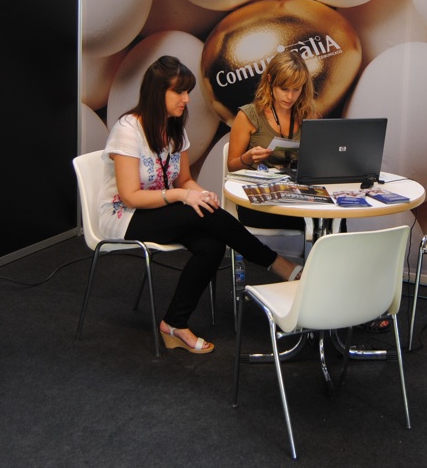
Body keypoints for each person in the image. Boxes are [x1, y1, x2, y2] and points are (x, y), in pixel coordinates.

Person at [99, 55, 302, 355]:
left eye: (187, 91)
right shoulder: (128, 129)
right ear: (157, 92)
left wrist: (201, 194)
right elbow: (130, 196)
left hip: (159, 210)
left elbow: (184, 180)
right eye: (179, 92)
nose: (187, 99)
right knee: (199, 215)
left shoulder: (174, 128)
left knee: (212, 245)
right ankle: (277, 264)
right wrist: (184, 196)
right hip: (126, 216)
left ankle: (173, 323)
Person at [227, 50, 318, 231]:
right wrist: (248, 158)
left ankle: (323, 250)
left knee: (334, 216)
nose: (290, 97)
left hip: (296, 195)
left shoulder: (308, 116)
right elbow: (232, 166)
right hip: (259, 200)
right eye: (284, 89)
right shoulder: (249, 115)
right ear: (270, 81)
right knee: (319, 219)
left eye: (296, 89)